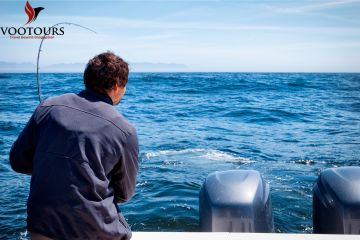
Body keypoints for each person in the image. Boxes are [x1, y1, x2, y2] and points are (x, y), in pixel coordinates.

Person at [9, 51, 139, 240]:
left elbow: (17, 162)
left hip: (41, 227)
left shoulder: (47, 107)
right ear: (117, 85)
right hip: (95, 232)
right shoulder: (125, 130)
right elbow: (124, 194)